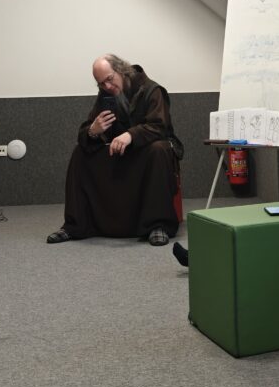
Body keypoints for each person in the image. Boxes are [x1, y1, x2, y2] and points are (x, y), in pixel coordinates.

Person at [47, 54, 181, 247]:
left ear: (121, 70)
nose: (107, 86)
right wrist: (93, 131)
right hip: (119, 153)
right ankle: (75, 226)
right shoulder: (106, 95)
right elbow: (90, 128)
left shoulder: (152, 90)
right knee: (80, 153)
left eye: (109, 79)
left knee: (158, 150)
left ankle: (157, 225)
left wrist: (131, 135)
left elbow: (160, 126)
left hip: (146, 152)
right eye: (101, 84)